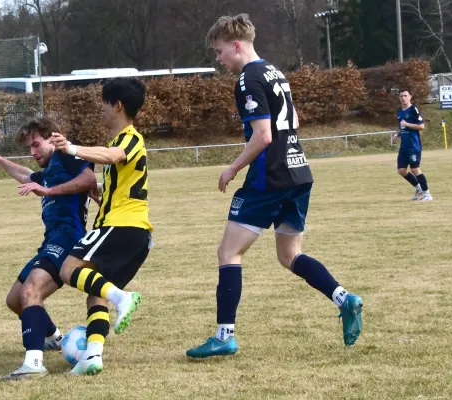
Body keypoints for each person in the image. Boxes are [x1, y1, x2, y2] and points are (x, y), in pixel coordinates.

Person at [185, 14, 363, 359]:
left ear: (236, 45)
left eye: (220, 51)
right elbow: (293, 120)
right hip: (298, 172)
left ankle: (224, 336)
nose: (219, 59)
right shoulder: (274, 72)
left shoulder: (248, 79)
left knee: (228, 253)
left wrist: (233, 168)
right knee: (289, 255)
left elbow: (263, 135)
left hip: (270, 177)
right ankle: (344, 298)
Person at [0, 117, 100, 380]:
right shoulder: (51, 169)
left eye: (36, 144)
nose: (32, 152)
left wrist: (49, 191)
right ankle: (54, 337)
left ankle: (33, 363)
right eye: (29, 147)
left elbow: (89, 179)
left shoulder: (66, 156)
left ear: (52, 138)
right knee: (14, 300)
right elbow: (26, 175)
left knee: (31, 290)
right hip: (51, 240)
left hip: (68, 238)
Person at [50, 77, 153, 377]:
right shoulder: (121, 141)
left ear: (117, 105)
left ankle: (123, 297)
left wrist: (71, 148)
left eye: (104, 103)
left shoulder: (130, 138)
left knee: (68, 269)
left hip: (123, 226)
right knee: (96, 292)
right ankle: (93, 355)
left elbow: (113, 156)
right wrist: (102, 195)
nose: (101, 109)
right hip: (132, 232)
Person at [393, 90, 432, 201]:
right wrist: (397, 134)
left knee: (414, 169)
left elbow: (421, 126)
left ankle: (427, 194)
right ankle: (419, 188)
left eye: (405, 95)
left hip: (413, 145)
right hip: (404, 146)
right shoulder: (399, 113)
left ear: (410, 97)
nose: (403, 98)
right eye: (401, 96)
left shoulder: (413, 110)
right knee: (401, 171)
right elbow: (402, 128)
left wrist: (407, 124)